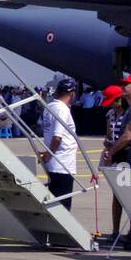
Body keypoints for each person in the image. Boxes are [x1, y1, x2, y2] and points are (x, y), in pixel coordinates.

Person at [39, 78, 79, 210]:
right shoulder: (62, 109)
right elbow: (57, 137)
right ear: (72, 93)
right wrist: (49, 155)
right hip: (63, 163)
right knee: (63, 206)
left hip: (54, 163)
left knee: (55, 202)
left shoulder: (49, 107)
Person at [99, 84, 128, 240]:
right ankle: (115, 230)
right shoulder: (110, 114)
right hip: (113, 157)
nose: (110, 104)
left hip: (124, 159)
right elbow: (109, 134)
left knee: (126, 195)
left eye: (112, 101)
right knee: (116, 194)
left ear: (120, 99)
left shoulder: (129, 114)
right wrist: (107, 142)